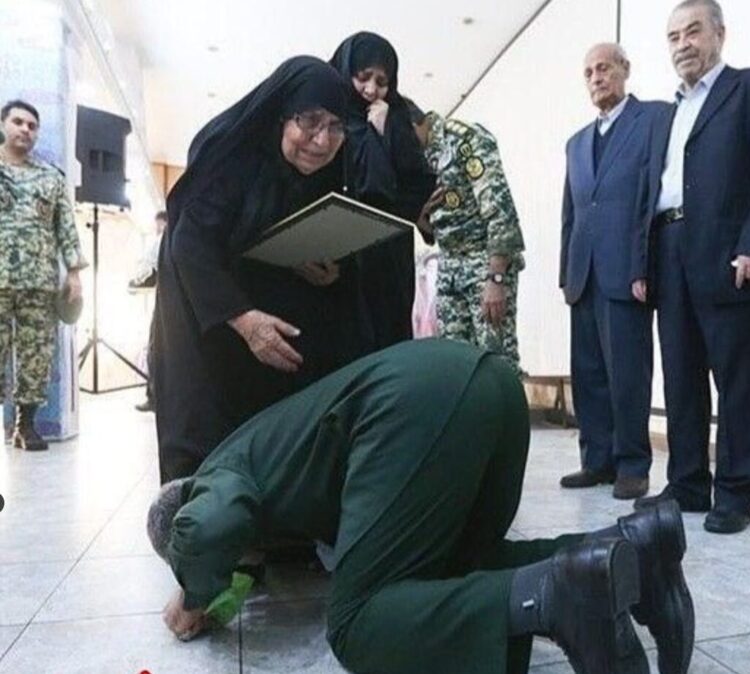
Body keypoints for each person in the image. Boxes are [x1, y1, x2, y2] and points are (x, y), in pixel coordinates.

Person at [147, 339, 694, 674]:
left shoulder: (213, 476)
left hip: (417, 409)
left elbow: (207, 524)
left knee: (358, 624)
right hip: (487, 385)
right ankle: (635, 550)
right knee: (449, 574)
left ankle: (554, 598)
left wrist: (195, 589)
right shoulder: (265, 455)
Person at [152, 56, 369, 483]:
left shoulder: (312, 172)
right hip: (207, 314)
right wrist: (247, 322)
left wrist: (310, 264)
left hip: (259, 324)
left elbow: (263, 236)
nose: (322, 141)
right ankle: (209, 527)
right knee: (205, 427)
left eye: (336, 127)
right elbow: (191, 244)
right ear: (281, 114)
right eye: (309, 121)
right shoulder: (233, 159)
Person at [636, 0, 750, 534]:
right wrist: (643, 262)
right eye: (673, 36)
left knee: (739, 376)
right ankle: (687, 483)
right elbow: (656, 189)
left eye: (693, 31)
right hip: (670, 249)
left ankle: (735, 492)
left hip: (727, 250)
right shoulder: (668, 111)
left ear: (719, 34)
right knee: (682, 374)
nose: (682, 43)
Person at [559, 45, 670, 500]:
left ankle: (632, 465)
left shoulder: (653, 120)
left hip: (627, 271)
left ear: (625, 70)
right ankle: (597, 460)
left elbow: (652, 198)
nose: (596, 77)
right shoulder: (576, 142)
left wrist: (645, 264)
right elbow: (571, 212)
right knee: (587, 373)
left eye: (604, 68)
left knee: (628, 373)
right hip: (583, 273)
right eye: (588, 72)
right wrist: (566, 273)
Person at [329, 32, 435, 350]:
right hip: (340, 254)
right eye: (363, 77)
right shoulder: (326, 117)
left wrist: (384, 133)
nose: (372, 89)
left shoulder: (397, 116)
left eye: (382, 81)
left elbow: (415, 183)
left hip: (388, 256)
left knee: (389, 341)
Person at [408, 100, 525, 376]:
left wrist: (495, 278)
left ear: (414, 124)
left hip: (484, 264)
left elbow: (500, 209)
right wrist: (417, 214)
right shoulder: (418, 157)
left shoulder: (464, 139)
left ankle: (507, 420)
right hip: (449, 266)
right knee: (457, 367)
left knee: (497, 362)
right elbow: (432, 227)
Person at [0, 99, 86, 451]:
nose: (25, 130)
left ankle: (25, 425)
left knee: (37, 355)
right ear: (4, 125)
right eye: (18, 122)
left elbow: (66, 227)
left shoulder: (50, 177)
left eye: (32, 126)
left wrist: (76, 274)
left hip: (40, 283)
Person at [131, 210, 167, 413]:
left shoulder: (164, 240)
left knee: (157, 349)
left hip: (168, 307)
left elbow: (146, 273)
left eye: (160, 226)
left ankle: (155, 398)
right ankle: (154, 397)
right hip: (165, 303)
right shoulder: (161, 242)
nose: (158, 230)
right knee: (156, 350)